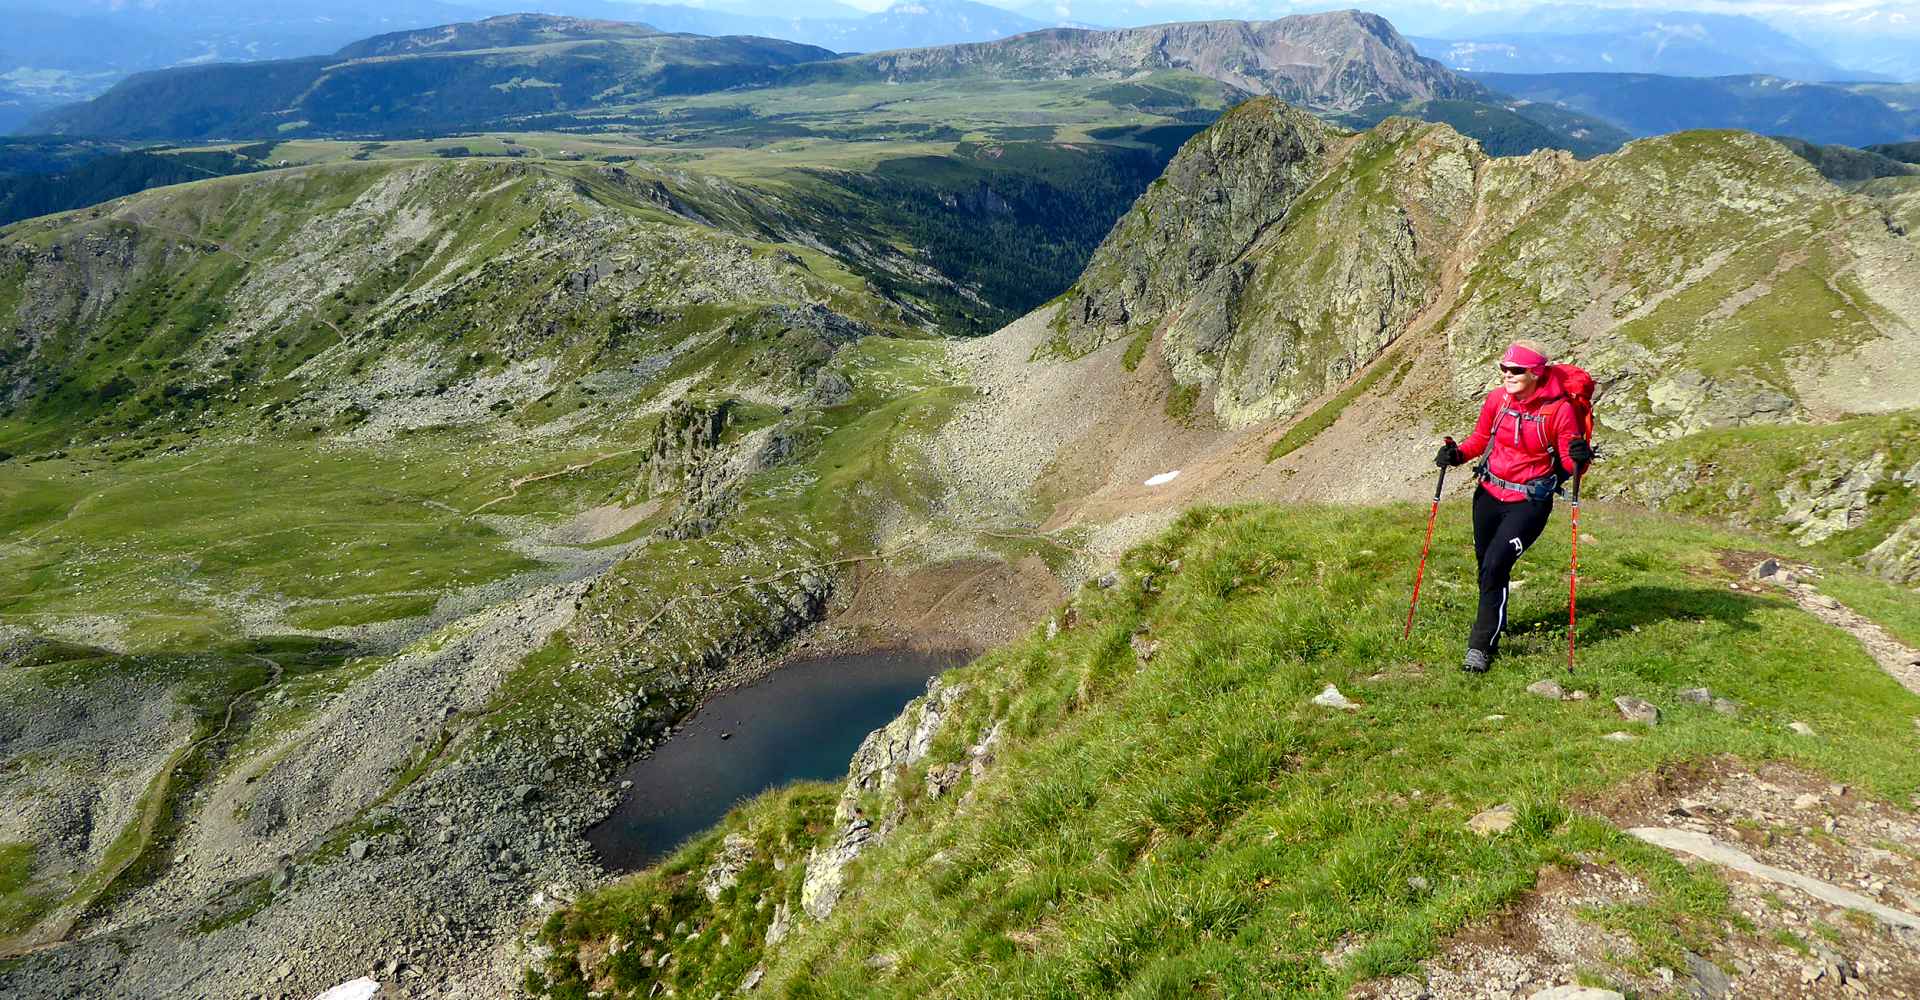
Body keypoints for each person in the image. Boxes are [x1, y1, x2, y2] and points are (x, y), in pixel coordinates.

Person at [1434, 340, 1593, 673]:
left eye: (1516, 370)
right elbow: (1480, 438)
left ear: (1535, 373)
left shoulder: (1559, 410)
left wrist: (1579, 459)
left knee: (1495, 565)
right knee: (1486, 565)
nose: (1507, 374)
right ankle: (1495, 620)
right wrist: (1458, 455)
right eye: (1503, 368)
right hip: (1488, 495)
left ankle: (1480, 647)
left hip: (1529, 503)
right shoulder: (1497, 399)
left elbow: (1568, 459)